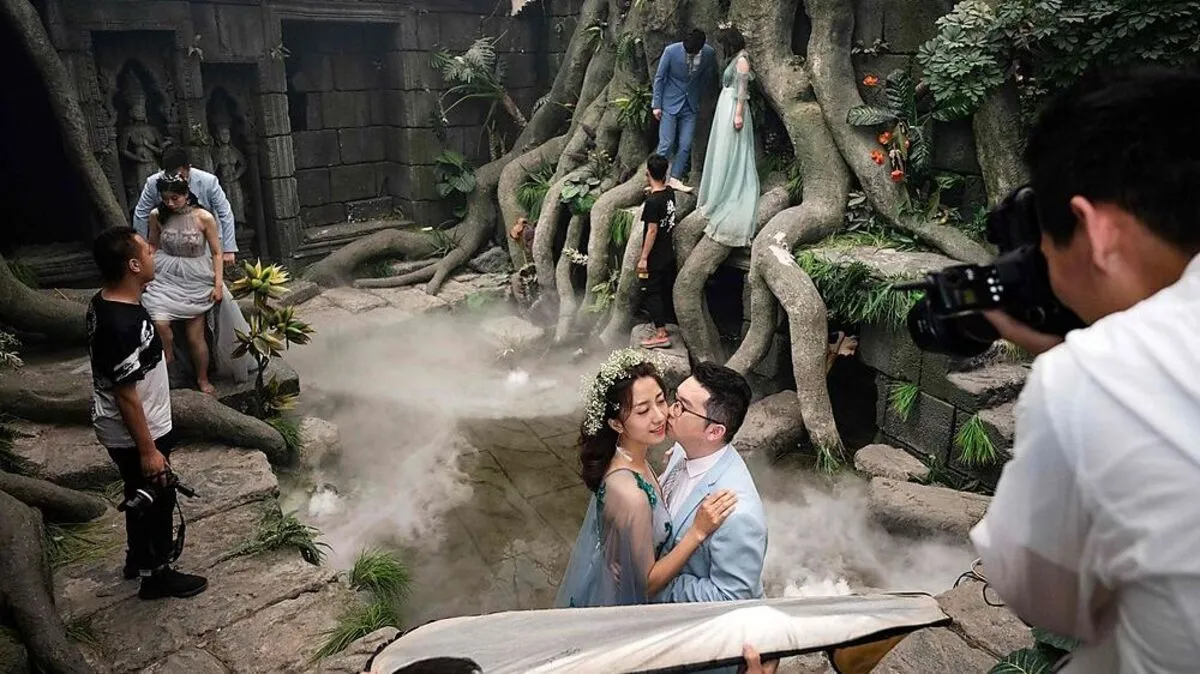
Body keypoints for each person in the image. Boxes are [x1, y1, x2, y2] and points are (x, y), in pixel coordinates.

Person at [970, 67, 1200, 673]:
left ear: (1094, 229)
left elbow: (1041, 598)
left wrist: (1071, 364)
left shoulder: (1095, 374)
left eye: (1047, 254)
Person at [556, 349, 739, 608]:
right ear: (616, 424)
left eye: (661, 401)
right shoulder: (632, 495)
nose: (660, 416)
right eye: (643, 411)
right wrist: (697, 532)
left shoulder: (630, 457)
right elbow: (646, 584)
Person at [87, 226, 207, 599]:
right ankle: (157, 576)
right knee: (158, 498)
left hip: (139, 425)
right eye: (146, 250)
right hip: (138, 431)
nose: (153, 252)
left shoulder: (107, 302)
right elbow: (125, 396)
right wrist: (148, 450)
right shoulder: (120, 324)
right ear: (133, 265)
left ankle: (137, 558)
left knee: (140, 494)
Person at [656, 362, 767, 604]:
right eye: (675, 399)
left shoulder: (739, 515)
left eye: (682, 407)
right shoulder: (683, 447)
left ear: (714, 432)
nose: (670, 411)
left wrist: (653, 581)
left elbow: (731, 596)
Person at [141, 173, 251, 393]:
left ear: (186, 194)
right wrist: (144, 273)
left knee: (195, 337)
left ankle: (202, 378)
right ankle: (169, 360)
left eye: (175, 198)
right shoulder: (157, 215)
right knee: (160, 322)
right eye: (165, 198)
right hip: (166, 273)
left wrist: (218, 284)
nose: (170, 203)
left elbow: (217, 252)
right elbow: (152, 245)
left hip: (196, 276)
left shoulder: (204, 217)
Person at [695, 27, 760, 249]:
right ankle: (718, 188)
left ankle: (730, 191)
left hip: (733, 108)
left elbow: (742, 91)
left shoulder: (742, 60)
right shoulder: (735, 58)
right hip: (725, 107)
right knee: (721, 148)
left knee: (732, 148)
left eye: (724, 44)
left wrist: (738, 115)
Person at [133, 146, 238, 265]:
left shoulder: (208, 181)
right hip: (170, 243)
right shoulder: (153, 183)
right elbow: (141, 213)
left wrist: (229, 249)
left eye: (179, 173)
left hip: (204, 242)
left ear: (188, 167)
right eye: (170, 173)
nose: (175, 177)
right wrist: (140, 248)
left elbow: (225, 212)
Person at [652, 28, 718, 193]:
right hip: (669, 103)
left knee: (686, 144)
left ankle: (675, 178)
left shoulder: (709, 54)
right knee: (666, 143)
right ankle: (656, 179)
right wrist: (656, 104)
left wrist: (703, 99)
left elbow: (707, 78)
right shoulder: (671, 51)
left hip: (691, 104)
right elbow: (660, 78)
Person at [638, 154, 678, 349]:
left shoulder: (652, 203)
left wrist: (643, 258)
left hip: (654, 256)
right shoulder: (669, 193)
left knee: (651, 292)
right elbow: (664, 189)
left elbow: (652, 230)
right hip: (668, 252)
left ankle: (661, 334)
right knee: (663, 290)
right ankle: (664, 325)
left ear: (647, 173)